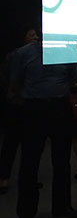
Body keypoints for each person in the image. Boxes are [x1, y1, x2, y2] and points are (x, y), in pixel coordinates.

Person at [10, 29, 77, 218]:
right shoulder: (23, 53)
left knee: (62, 159)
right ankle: (26, 213)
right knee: (30, 160)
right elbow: (15, 81)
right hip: (34, 108)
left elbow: (72, 78)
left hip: (60, 106)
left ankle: (61, 206)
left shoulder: (67, 51)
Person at [0, 27, 41, 194]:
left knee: (31, 145)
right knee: (11, 142)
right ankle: (4, 177)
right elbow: (11, 81)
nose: (35, 38)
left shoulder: (36, 55)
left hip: (30, 104)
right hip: (16, 105)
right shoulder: (14, 56)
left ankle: (29, 179)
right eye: (31, 35)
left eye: (36, 35)